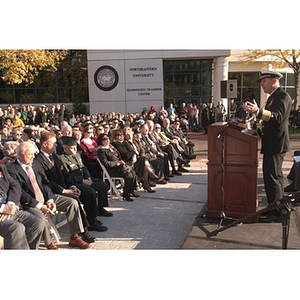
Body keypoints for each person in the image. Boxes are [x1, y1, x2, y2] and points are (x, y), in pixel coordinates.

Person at [7, 141, 91, 249]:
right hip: (30, 203)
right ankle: (48, 242)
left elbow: (45, 182)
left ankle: (74, 237)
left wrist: (50, 200)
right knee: (39, 217)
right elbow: (20, 193)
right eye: (30, 155)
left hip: (45, 197)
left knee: (72, 203)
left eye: (33, 154)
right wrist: (40, 206)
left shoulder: (35, 164)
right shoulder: (12, 169)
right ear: (20, 155)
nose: (33, 157)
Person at [243, 69, 293, 223]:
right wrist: (257, 130)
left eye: (264, 81)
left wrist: (258, 111)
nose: (262, 84)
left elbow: (276, 117)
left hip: (277, 143)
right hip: (272, 142)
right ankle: (274, 209)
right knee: (272, 177)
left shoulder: (282, 96)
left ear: (273, 80)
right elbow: (268, 121)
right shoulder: (274, 97)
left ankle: (277, 213)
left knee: (273, 178)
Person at [35, 131, 96, 243]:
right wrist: (64, 191)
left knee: (83, 194)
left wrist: (72, 187)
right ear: (44, 144)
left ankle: (86, 227)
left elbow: (65, 174)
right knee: (74, 201)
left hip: (63, 188)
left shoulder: (54, 156)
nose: (56, 145)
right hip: (50, 192)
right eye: (53, 143)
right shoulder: (38, 160)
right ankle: (79, 234)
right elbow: (46, 181)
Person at [59, 136, 112, 231]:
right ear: (66, 148)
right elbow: (67, 176)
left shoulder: (77, 155)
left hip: (85, 179)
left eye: (75, 146)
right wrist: (83, 181)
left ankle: (100, 208)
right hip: (75, 183)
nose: (75, 149)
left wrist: (88, 177)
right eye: (72, 147)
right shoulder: (62, 159)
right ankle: (92, 221)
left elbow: (83, 167)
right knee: (90, 193)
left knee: (102, 185)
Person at [0, 164, 44, 249]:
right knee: (16, 228)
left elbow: (15, 185)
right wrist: (2, 208)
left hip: (11, 209)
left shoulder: (2, 167)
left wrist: (10, 203)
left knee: (37, 223)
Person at [97, 133, 137, 201]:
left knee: (132, 173)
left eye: (108, 138)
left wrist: (121, 161)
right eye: (104, 139)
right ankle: (125, 194)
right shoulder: (101, 150)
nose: (107, 140)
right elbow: (106, 163)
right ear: (101, 141)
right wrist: (117, 163)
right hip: (111, 170)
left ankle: (131, 191)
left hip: (119, 167)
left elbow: (118, 156)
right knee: (129, 175)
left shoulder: (111, 148)